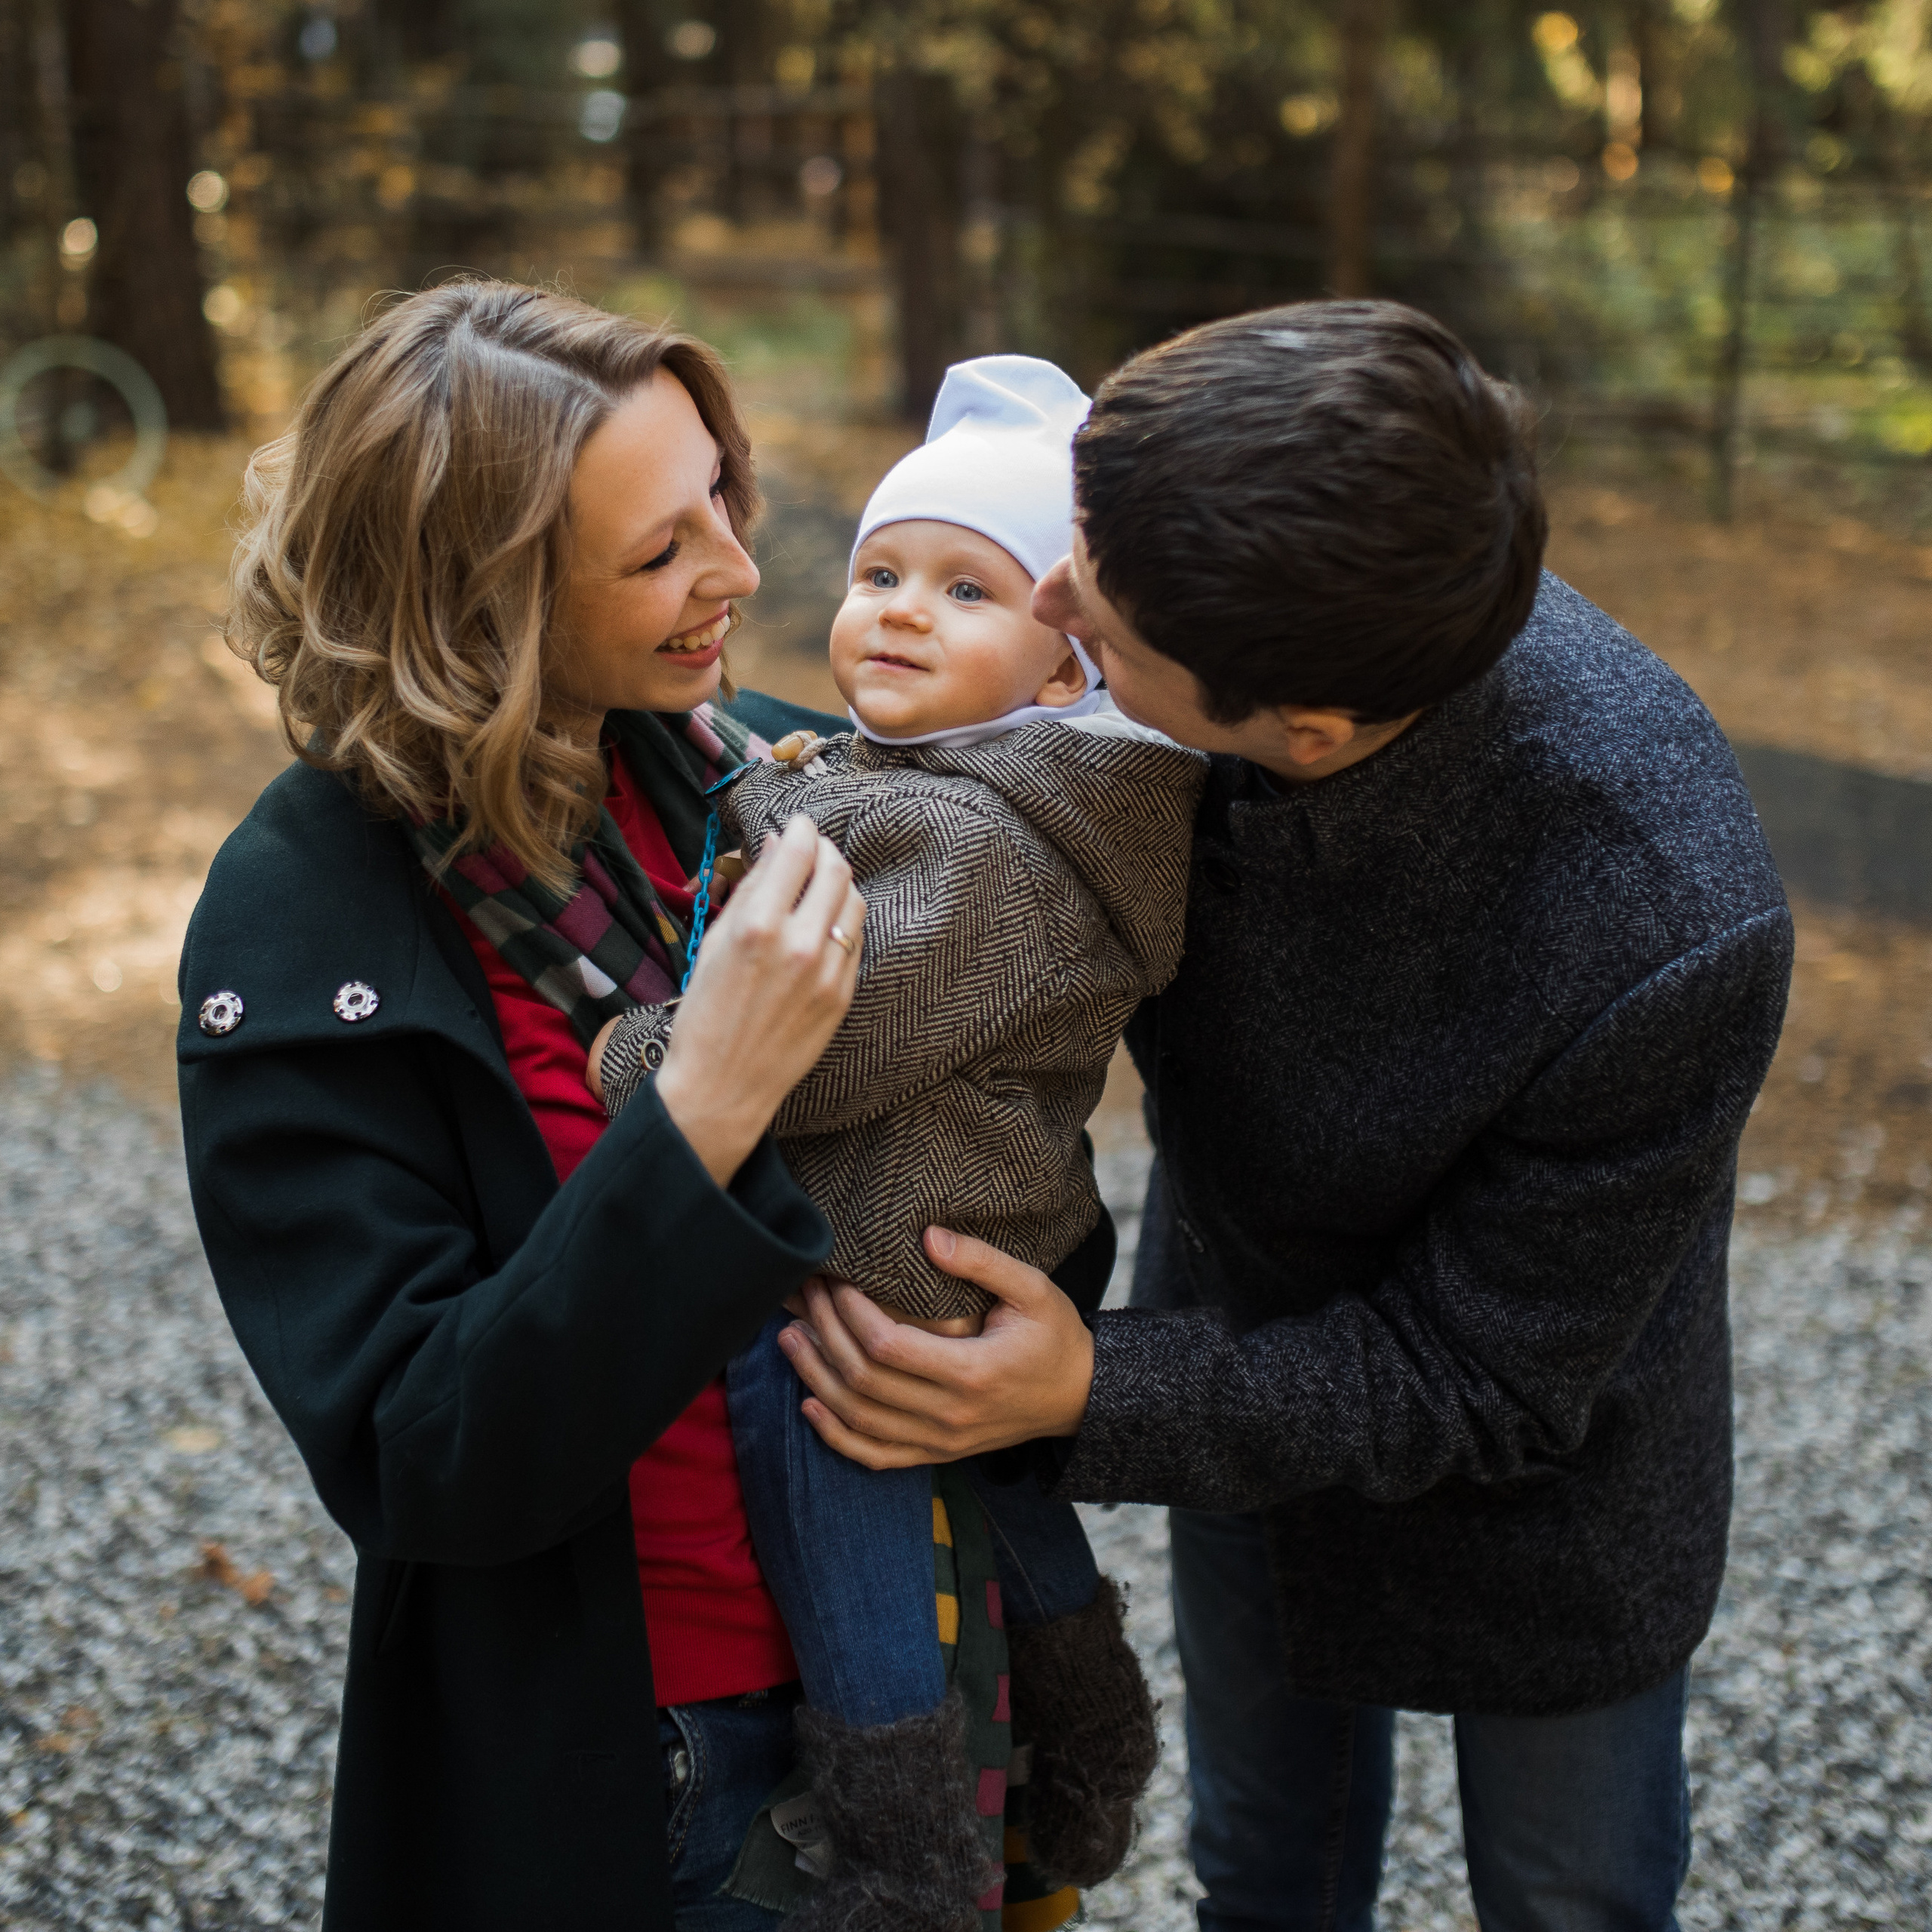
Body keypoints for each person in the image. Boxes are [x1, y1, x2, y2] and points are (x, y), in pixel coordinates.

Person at [774, 301, 1795, 1931]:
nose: (1044, 604)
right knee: (1262, 1867)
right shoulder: (1191, 640)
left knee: (1570, 1891)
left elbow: (1486, 1369)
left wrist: (1083, 1384)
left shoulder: (1659, 912)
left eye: (1091, 610)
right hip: (1236, 1333)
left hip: (1541, 1467)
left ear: (1295, 738)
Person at [178, 281, 866, 1932]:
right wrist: (698, 1105)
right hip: (658, 1764)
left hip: (911, 1672)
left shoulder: (762, 773)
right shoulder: (308, 928)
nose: (738, 568)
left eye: (720, 491)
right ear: (473, 611)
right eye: (655, 550)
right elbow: (425, 1454)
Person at [593, 356, 1197, 1930]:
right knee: (1001, 1500)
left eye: (964, 588)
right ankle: (1088, 1718)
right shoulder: (961, 782)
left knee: (852, 1580)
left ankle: (906, 1862)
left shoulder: (984, 844)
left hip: (875, 1272)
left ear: (1065, 670)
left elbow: (832, 1043)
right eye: (877, 573)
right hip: (959, 1230)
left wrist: (641, 1054)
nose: (899, 610)